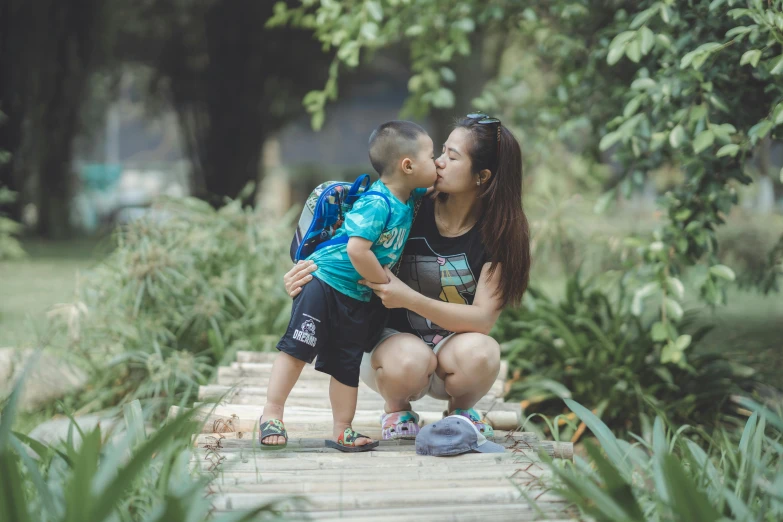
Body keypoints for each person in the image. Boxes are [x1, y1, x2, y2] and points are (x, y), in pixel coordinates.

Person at [283, 113, 531, 441]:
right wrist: (309, 280)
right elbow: (348, 250)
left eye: (452, 157)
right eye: (440, 152)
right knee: (410, 361)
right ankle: (397, 408)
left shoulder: (500, 234)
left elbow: (484, 319)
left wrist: (408, 297)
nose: (439, 163)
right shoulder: (407, 205)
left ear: (482, 176)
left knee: (483, 352)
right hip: (390, 347)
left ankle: (461, 410)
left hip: (450, 348)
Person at [259, 120, 437, 451]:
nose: (438, 162)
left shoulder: (409, 197)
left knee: (347, 361)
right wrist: (384, 283)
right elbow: (357, 249)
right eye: (432, 155)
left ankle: (343, 428)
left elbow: (433, 188)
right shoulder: (377, 202)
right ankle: (272, 412)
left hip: (357, 295)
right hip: (324, 282)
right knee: (298, 348)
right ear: (408, 165)